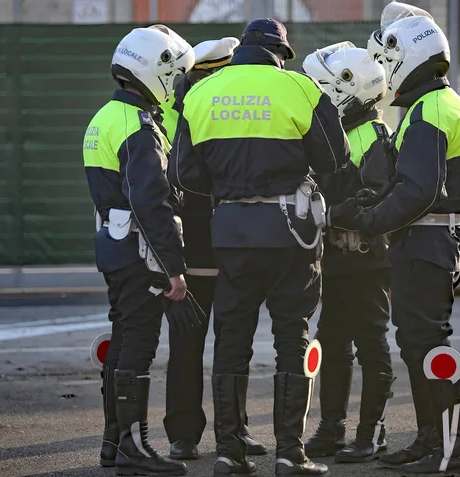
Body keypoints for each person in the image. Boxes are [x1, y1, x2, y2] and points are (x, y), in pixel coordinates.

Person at [169, 18, 349, 477]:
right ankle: (291, 453)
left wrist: (230, 186)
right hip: (292, 232)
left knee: (232, 340)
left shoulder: (199, 94)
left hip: (230, 233)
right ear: (280, 53)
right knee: (294, 337)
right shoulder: (302, 89)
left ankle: (229, 453)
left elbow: (185, 176)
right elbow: (335, 159)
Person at [329, 15, 460, 477]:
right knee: (417, 343)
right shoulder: (439, 104)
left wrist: (371, 221)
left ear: (404, 56)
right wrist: (373, 203)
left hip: (427, 240)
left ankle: (454, 450)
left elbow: (418, 190)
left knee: (429, 344)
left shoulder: (431, 109)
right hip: (431, 239)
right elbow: (412, 183)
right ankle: (430, 440)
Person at [82, 25, 202, 476]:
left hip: (114, 246)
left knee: (122, 341)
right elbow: (151, 203)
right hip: (140, 249)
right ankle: (136, 445)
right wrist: (173, 269)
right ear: (156, 70)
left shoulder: (104, 118)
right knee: (139, 344)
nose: (177, 83)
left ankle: (115, 442)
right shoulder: (140, 126)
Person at [159, 37, 266, 460]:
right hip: (204, 248)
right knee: (213, 342)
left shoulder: (195, 109)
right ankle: (192, 433)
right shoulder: (186, 113)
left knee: (226, 343)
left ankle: (226, 432)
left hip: (216, 247)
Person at [301, 42, 394, 463]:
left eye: (322, 89)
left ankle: (371, 433)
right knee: (332, 342)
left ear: (347, 88)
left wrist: (326, 214)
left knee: (371, 344)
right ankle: (331, 428)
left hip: (366, 260)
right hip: (336, 261)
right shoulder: (338, 133)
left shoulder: (373, 135)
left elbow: (374, 199)